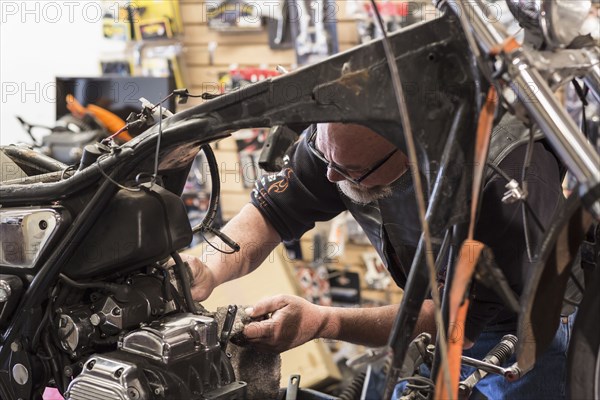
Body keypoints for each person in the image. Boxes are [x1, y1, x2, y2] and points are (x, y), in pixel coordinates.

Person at [184, 120, 572, 399]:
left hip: (523, 331)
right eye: (327, 160)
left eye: (352, 171)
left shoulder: (508, 180)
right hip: (430, 322)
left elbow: (459, 325)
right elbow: (271, 213)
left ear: (412, 144)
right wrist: (209, 268)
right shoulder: (340, 138)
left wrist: (326, 321)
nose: (332, 178)